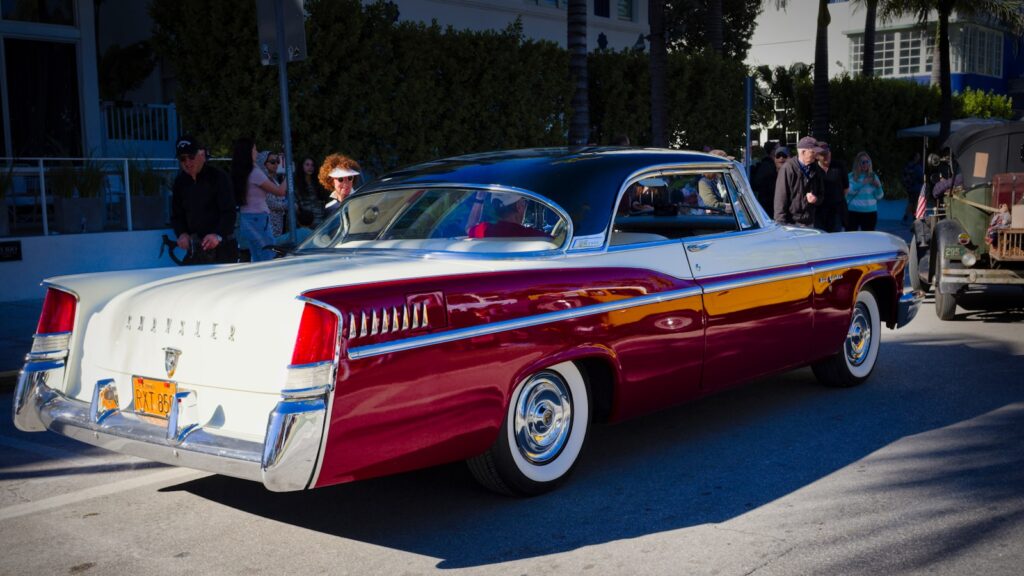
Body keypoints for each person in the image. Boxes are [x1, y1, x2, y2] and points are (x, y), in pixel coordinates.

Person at [169, 135, 237, 264]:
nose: (188, 162)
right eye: (183, 159)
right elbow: (177, 215)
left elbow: (229, 212)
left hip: (223, 247)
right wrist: (182, 233)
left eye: (191, 157)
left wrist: (217, 235)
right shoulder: (180, 182)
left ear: (202, 155)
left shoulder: (219, 177)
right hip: (196, 249)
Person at [232, 137, 286, 262]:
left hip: (247, 217)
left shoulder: (242, 172)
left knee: (257, 255)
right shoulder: (254, 172)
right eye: (255, 150)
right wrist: (288, 175)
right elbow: (280, 192)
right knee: (268, 255)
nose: (257, 153)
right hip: (258, 218)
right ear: (248, 152)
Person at [774, 136, 823, 227]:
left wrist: (815, 199)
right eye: (813, 152)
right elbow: (780, 199)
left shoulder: (816, 169)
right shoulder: (788, 168)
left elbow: (821, 194)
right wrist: (780, 224)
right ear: (803, 152)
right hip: (791, 224)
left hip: (809, 222)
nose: (816, 155)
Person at [467, 192, 549, 238]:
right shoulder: (535, 236)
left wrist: (479, 199)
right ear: (519, 206)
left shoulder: (483, 230)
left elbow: (469, 227)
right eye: (524, 202)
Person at [846, 151, 885, 231]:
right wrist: (863, 183)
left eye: (867, 162)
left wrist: (878, 187)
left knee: (868, 239)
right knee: (850, 239)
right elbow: (849, 191)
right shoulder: (851, 176)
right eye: (863, 162)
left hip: (870, 212)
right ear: (858, 163)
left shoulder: (873, 176)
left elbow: (879, 196)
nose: (865, 164)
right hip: (852, 212)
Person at [815, 141, 848, 232]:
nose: (826, 156)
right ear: (817, 156)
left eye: (827, 152)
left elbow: (846, 188)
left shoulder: (839, 166)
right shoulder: (813, 169)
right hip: (819, 212)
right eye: (823, 154)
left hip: (836, 211)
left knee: (836, 239)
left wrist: (837, 198)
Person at [259, 151, 289, 237]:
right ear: (263, 163)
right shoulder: (262, 180)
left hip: (277, 225)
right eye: (272, 162)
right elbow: (272, 204)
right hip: (267, 226)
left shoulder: (274, 179)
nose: (276, 164)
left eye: (277, 162)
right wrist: (290, 205)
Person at [295, 156, 326, 225]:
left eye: (312, 165)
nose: (310, 167)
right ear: (301, 166)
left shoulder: (318, 183)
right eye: (307, 164)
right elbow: (295, 205)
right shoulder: (297, 184)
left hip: (320, 220)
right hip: (306, 222)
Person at [750, 141, 780, 212]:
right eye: (778, 149)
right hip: (768, 204)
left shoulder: (770, 165)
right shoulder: (767, 166)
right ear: (772, 151)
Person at [901, 152, 924, 223]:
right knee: (914, 202)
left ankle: (910, 216)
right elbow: (921, 177)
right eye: (918, 156)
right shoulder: (917, 167)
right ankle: (909, 216)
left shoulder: (908, 165)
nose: (919, 157)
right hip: (916, 187)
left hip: (909, 187)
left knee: (912, 202)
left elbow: (904, 176)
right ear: (915, 157)